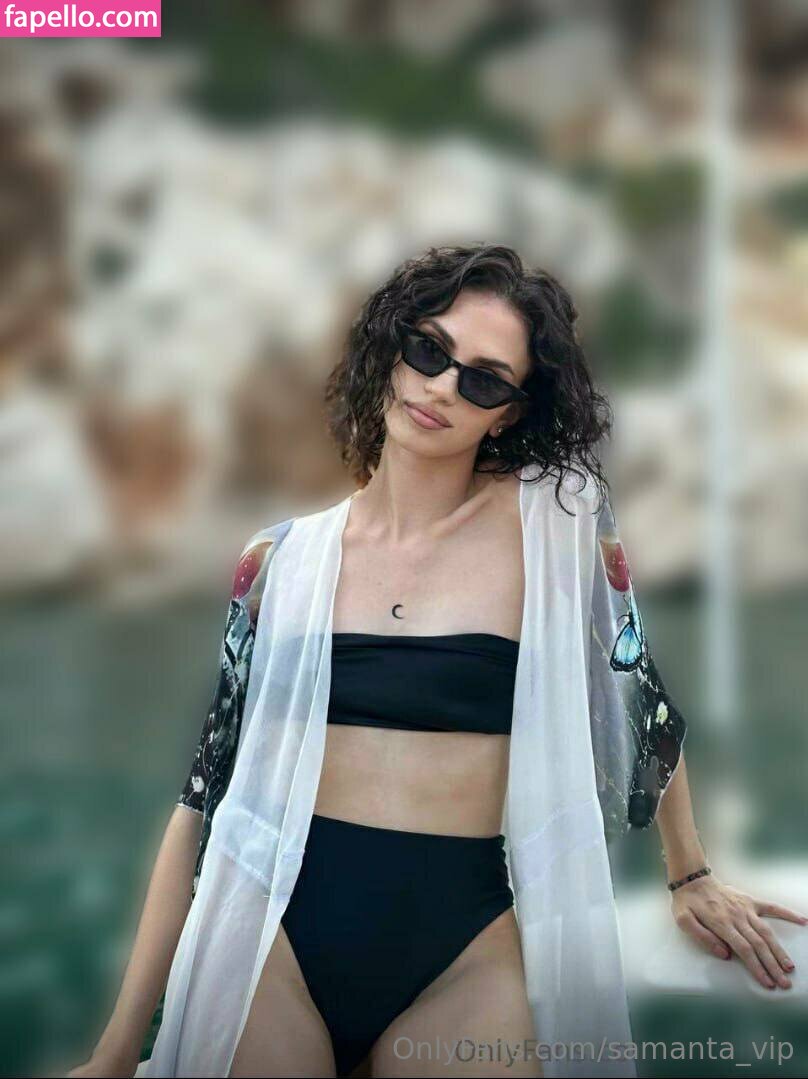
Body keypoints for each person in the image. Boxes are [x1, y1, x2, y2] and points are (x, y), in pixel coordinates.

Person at [68, 244, 805, 1079]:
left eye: (485, 380)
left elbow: (638, 699)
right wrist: (114, 1053)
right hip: (274, 945)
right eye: (429, 350)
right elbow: (203, 801)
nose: (445, 386)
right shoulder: (277, 563)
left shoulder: (554, 533)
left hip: (462, 953)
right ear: (393, 350)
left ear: (509, 414)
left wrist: (691, 873)